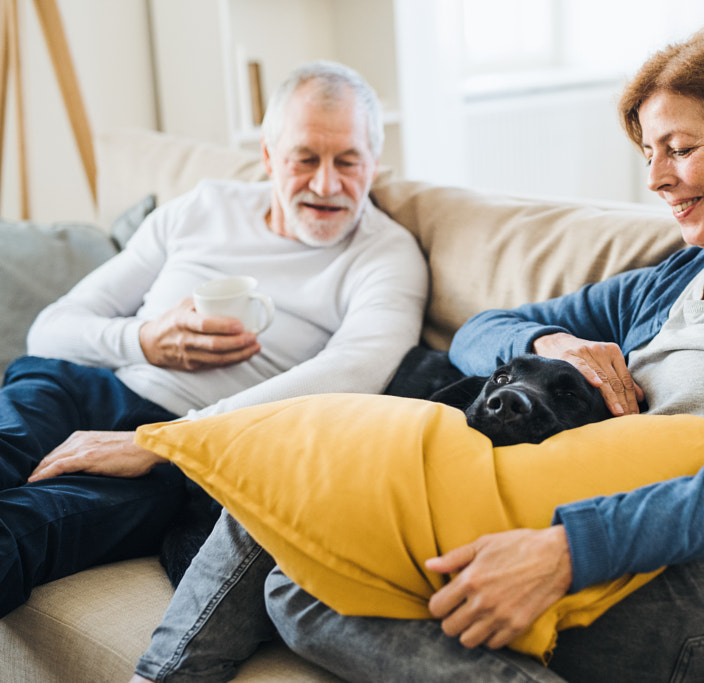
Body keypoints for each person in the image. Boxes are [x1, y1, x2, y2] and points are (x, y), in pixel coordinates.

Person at [131, 14, 704, 683]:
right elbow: (479, 331)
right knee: (300, 504)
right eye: (650, 152)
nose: (658, 178)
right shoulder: (670, 281)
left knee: (304, 589)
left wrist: (565, 549)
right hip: (601, 518)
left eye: (681, 149)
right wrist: (557, 342)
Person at [0, 60, 428, 618]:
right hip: (86, 384)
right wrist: (145, 340)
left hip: (187, 454)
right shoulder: (204, 208)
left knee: (22, 528)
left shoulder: (386, 255)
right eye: (305, 159)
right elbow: (51, 329)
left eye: (348, 161)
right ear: (269, 157)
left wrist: (164, 442)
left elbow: (357, 370)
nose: (327, 184)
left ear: (373, 161)